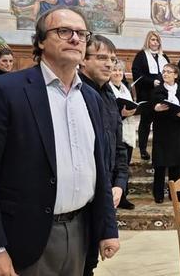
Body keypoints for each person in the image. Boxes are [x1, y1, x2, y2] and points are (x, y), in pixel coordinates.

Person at [0, 7, 119, 275]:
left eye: (82, 34)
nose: (75, 39)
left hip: (81, 230)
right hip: (27, 236)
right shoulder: (6, 91)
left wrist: (107, 227)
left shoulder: (91, 98)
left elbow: (99, 170)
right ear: (40, 41)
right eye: (64, 31)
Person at [78, 34, 129, 230]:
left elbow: (118, 144)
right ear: (83, 60)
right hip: (84, 191)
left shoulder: (108, 94)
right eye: (102, 58)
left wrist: (119, 183)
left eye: (112, 59)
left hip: (108, 187)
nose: (109, 64)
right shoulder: (76, 92)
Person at [149, 64, 180, 204]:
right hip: (162, 131)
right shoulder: (157, 91)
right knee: (160, 165)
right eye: (164, 72)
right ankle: (158, 194)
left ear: (176, 75)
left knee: (176, 165)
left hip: (177, 131)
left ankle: (177, 193)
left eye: (169, 72)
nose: (165, 74)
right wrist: (156, 109)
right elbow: (150, 109)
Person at [131, 30, 169, 161]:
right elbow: (137, 75)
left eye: (157, 40)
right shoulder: (141, 56)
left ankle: (160, 148)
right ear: (148, 41)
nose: (155, 42)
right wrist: (152, 82)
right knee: (145, 123)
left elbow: (170, 72)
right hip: (147, 94)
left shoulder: (164, 56)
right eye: (153, 40)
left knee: (161, 123)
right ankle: (142, 149)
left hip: (161, 95)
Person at [108, 59, 136, 210]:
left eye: (120, 70)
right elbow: (109, 113)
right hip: (116, 132)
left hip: (128, 130)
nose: (118, 73)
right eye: (114, 70)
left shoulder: (125, 87)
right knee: (116, 166)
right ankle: (116, 196)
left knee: (125, 164)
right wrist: (122, 113)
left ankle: (123, 195)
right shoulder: (108, 89)